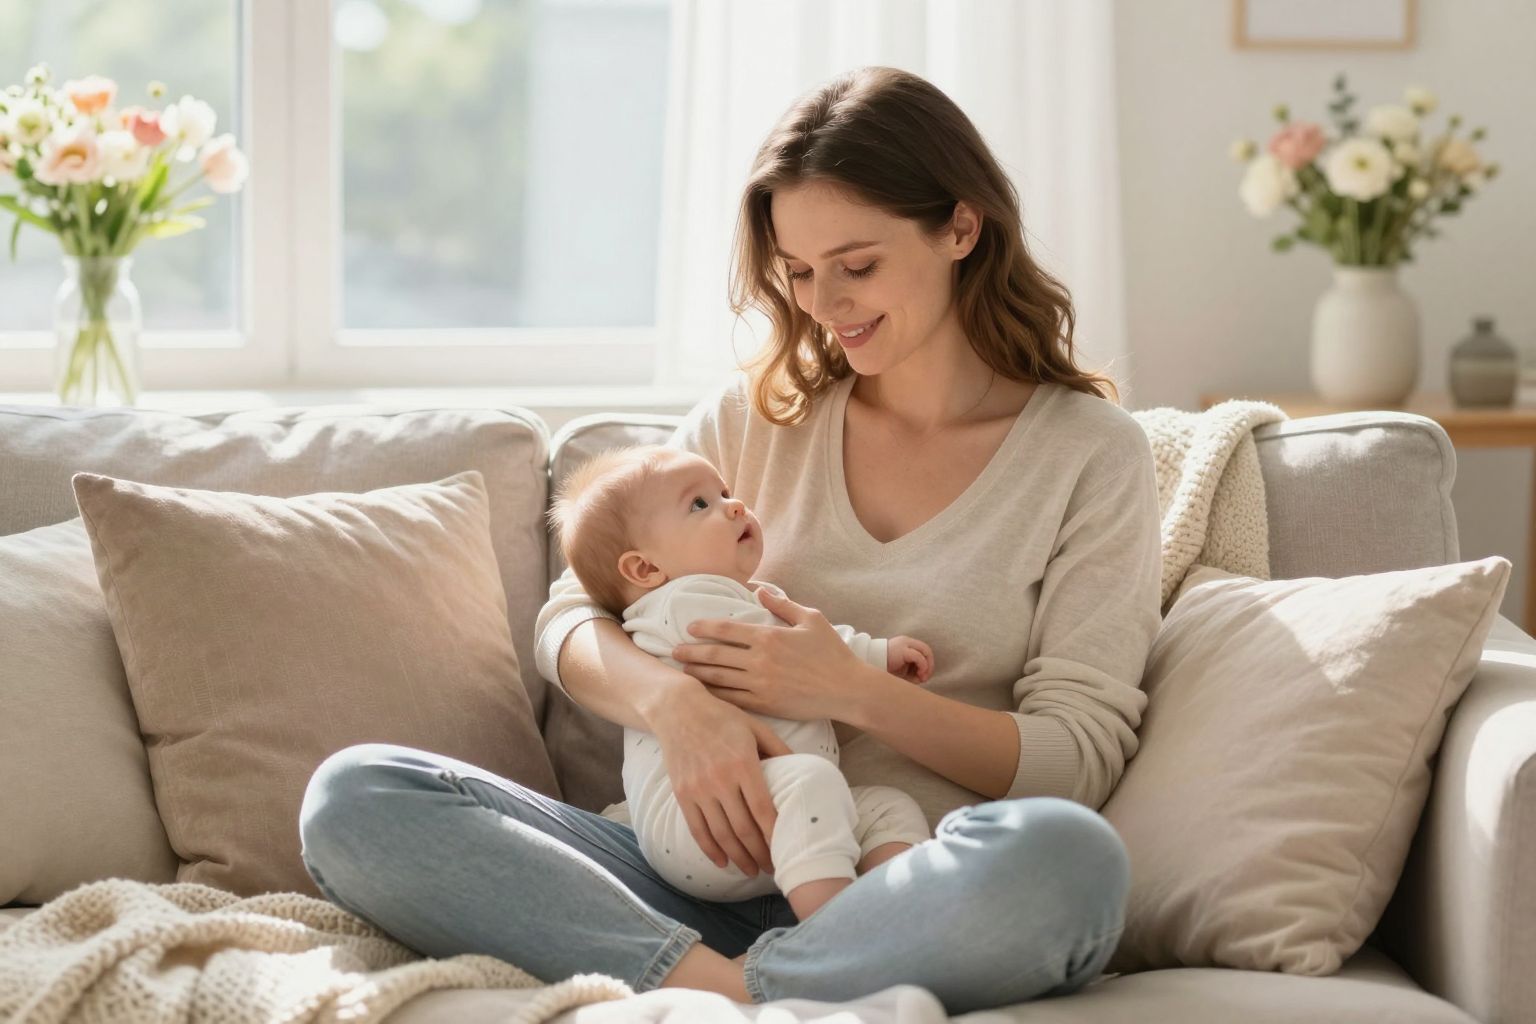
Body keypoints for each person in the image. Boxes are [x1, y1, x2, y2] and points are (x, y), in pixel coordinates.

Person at [298, 65, 1162, 1015]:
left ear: (961, 227)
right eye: (797, 272)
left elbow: (1075, 758)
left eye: (858, 264)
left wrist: (848, 691)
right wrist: (677, 706)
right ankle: (737, 985)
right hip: (685, 872)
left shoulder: (1090, 456)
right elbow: (570, 617)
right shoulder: (753, 420)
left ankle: (737, 986)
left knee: (1072, 865)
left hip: (902, 885)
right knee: (357, 796)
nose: (824, 303)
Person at [544, 442, 935, 922]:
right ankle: (837, 936)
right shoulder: (684, 604)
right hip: (710, 819)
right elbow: (799, 651)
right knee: (814, 783)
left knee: (885, 809)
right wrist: (875, 655)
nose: (734, 505)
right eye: (700, 504)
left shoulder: (728, 596)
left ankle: (893, 918)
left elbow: (808, 656)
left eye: (725, 491)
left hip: (760, 813)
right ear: (645, 569)